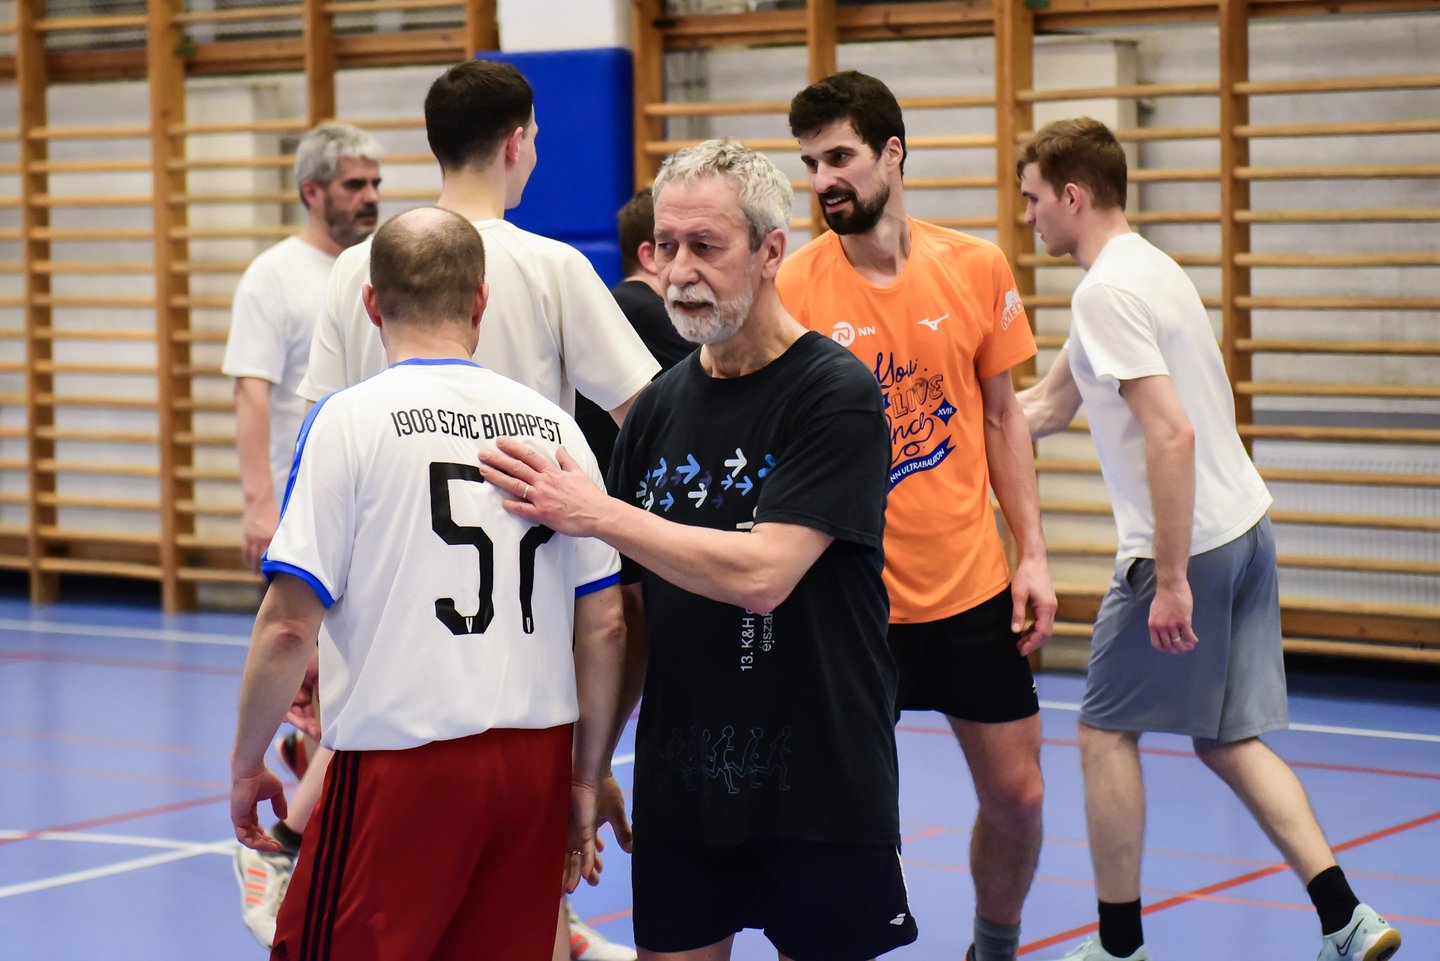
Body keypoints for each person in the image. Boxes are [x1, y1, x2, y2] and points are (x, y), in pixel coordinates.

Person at [477, 138, 917, 961]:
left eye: (706, 246)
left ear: (770, 251)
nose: (680, 271)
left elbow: (764, 574)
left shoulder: (835, 394)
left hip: (821, 785)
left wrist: (600, 512)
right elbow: (630, 619)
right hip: (685, 789)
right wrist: (589, 765)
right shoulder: (655, 410)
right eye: (666, 246)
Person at [1014, 117, 1403, 961]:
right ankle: (1348, 918)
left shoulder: (1103, 293)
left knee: (1102, 731)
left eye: (1034, 200)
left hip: (1187, 549)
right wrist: (936, 420)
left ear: (1072, 196)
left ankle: (1119, 947)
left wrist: (1171, 579)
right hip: (1248, 529)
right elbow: (1043, 408)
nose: (1028, 218)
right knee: (1226, 740)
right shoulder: (1147, 269)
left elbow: (1172, 434)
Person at [293, 59, 656, 961]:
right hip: (525, 638)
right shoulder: (555, 266)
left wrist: (302, 633)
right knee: (511, 904)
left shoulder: (359, 267)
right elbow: (651, 420)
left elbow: (314, 443)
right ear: (519, 142)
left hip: (391, 643)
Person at [229, 206, 627, 961]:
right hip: (533, 765)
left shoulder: (349, 420)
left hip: (401, 766)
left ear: (371, 304)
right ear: (481, 301)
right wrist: (583, 778)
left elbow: (287, 625)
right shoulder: (557, 428)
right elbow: (604, 624)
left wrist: (247, 762)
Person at [776, 71, 1056, 961]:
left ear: (892, 153)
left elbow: (1004, 417)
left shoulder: (976, 267)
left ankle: (993, 948)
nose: (824, 179)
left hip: (972, 588)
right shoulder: (793, 288)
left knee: (1020, 799)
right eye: (811, 163)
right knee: (846, 818)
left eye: (840, 157)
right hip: (851, 604)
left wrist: (1033, 552)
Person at [220, 121, 382, 947]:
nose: (370, 197)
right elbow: (252, 392)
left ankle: (308, 826)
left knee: (353, 692)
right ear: (312, 191)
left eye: (375, 182)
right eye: (354, 184)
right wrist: (260, 502)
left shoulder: (377, 268)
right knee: (324, 693)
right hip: (303, 520)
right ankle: (280, 854)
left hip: (370, 514)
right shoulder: (274, 276)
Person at [574, 188, 694, 476]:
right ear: (650, 256)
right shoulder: (642, 311)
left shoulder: (620, 304)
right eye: (673, 247)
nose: (692, 266)